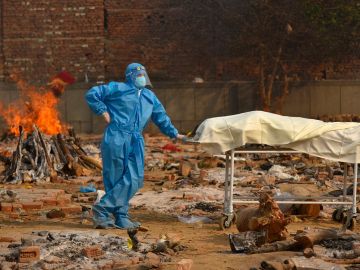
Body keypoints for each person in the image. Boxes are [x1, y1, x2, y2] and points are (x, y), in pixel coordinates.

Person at [85, 63, 185, 229]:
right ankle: (119, 216)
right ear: (130, 76)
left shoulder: (149, 96)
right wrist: (102, 111)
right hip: (116, 135)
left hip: (136, 138)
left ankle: (102, 208)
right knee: (115, 178)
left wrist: (174, 133)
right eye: (138, 74)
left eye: (143, 74)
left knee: (135, 179)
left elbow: (161, 117)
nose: (141, 77)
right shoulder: (118, 88)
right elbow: (93, 93)